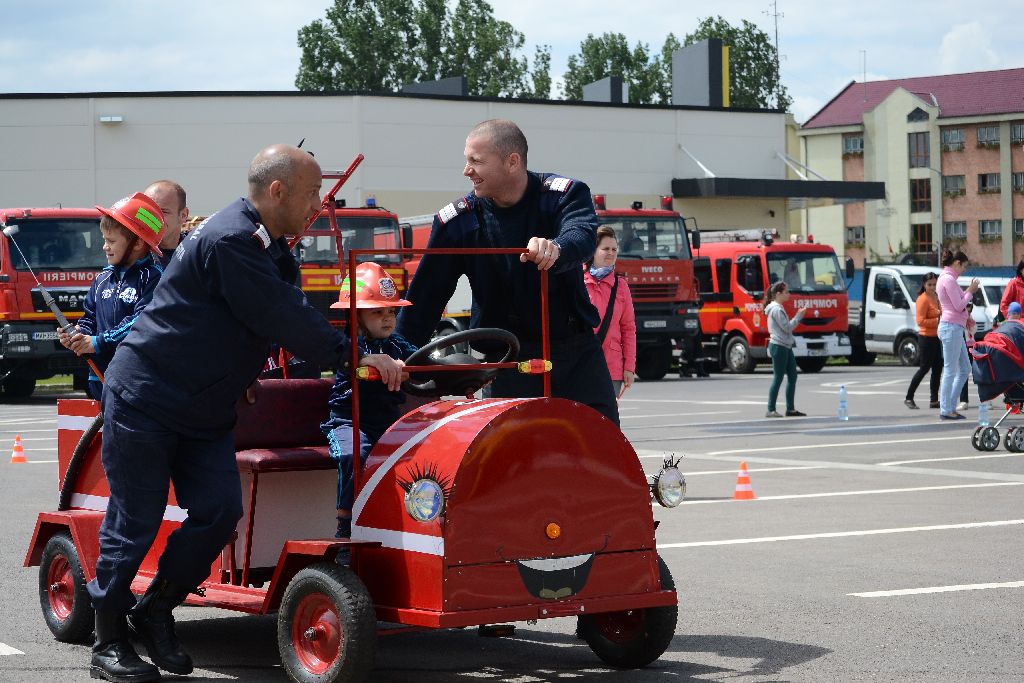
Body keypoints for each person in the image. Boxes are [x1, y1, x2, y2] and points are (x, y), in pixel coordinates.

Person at [85, 144, 404, 683]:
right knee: (134, 522)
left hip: (205, 407)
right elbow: (278, 314)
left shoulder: (270, 245)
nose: (318, 204)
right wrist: (354, 355)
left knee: (217, 512)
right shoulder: (232, 238)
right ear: (276, 191)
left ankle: (156, 609)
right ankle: (108, 638)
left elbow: (264, 322)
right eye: (310, 194)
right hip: (147, 397)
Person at [396, 119, 619, 425]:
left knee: (603, 445)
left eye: (476, 161)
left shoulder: (564, 195)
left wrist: (556, 248)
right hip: (506, 362)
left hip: (575, 354)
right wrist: (398, 355)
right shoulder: (457, 222)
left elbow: (581, 234)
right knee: (516, 459)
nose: (466, 170)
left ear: (512, 161)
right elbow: (425, 299)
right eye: (466, 160)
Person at [321, 262, 417, 539]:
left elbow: (423, 359)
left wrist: (462, 367)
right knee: (355, 453)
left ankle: (411, 522)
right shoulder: (350, 348)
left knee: (423, 454)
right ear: (356, 316)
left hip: (388, 423)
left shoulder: (398, 345)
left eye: (392, 311)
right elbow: (352, 364)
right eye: (377, 312)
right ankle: (345, 527)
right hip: (349, 422)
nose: (388, 318)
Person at [57, 193, 165, 400]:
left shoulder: (154, 277)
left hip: (135, 378)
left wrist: (99, 342)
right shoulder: (102, 278)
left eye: (111, 241)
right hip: (99, 377)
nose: (105, 246)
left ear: (137, 243)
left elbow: (142, 321)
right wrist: (78, 335)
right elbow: (90, 317)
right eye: (105, 240)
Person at [583, 226, 636, 397]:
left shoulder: (621, 286)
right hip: (581, 363)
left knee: (607, 420)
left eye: (614, 249)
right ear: (593, 251)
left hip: (612, 367)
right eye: (605, 249)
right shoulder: (578, 282)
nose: (611, 253)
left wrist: (629, 367)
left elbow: (628, 329)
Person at [936, 248, 979, 420]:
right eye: (964, 266)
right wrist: (970, 290)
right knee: (950, 370)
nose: (964, 270)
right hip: (951, 327)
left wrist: (965, 318)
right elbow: (959, 304)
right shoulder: (948, 280)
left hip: (954, 326)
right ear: (956, 263)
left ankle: (950, 406)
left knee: (964, 368)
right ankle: (946, 409)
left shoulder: (947, 278)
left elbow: (956, 307)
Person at [764, 281, 807, 418]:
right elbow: (787, 327)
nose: (789, 294)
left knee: (793, 376)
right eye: (786, 292)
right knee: (778, 377)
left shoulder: (778, 308)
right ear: (778, 294)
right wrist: (799, 316)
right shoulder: (776, 309)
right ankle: (771, 409)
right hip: (779, 345)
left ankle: (790, 409)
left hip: (785, 345)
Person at [904, 272, 942, 410]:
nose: (932, 287)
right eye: (929, 284)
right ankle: (909, 397)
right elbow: (920, 321)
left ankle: (934, 400)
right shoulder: (922, 299)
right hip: (926, 338)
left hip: (937, 337)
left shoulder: (936, 297)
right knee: (924, 368)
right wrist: (938, 321)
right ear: (924, 285)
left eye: (934, 284)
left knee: (938, 369)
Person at [143, 180, 189, 268]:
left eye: (163, 212)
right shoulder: (132, 255)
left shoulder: (197, 251)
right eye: (148, 211)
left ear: (183, 215)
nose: (153, 219)